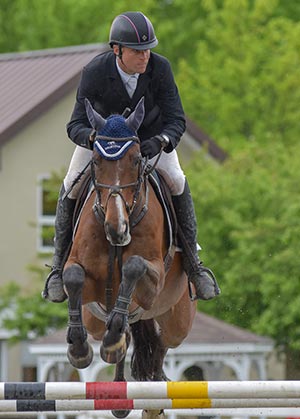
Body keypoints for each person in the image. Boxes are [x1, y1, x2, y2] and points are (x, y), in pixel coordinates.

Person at [42, 11, 220, 303]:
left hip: (148, 143)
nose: (145, 56)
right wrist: (92, 138)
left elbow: (176, 118)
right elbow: (74, 124)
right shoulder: (95, 71)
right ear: (117, 50)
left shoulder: (160, 69)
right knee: (72, 182)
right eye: (138, 51)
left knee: (176, 179)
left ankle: (193, 264)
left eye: (148, 49)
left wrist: (162, 141)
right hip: (103, 144)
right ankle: (58, 267)